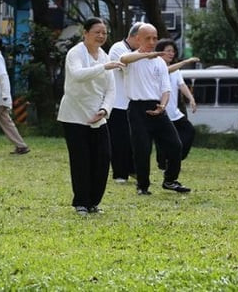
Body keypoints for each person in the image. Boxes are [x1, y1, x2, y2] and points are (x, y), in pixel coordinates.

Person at [57, 18, 123, 215]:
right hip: (74, 115)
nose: (102, 36)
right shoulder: (75, 53)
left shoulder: (104, 56)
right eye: (97, 32)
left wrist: (104, 110)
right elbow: (78, 75)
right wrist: (104, 67)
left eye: (104, 32)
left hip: (98, 115)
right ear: (85, 33)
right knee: (81, 160)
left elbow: (111, 90)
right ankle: (81, 202)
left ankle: (94, 201)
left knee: (103, 158)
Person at [120, 23, 190, 195]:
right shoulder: (132, 58)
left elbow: (165, 89)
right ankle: (142, 186)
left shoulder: (160, 62)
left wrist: (163, 105)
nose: (152, 42)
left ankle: (170, 180)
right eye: (147, 38)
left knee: (175, 144)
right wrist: (146, 55)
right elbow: (124, 60)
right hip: (137, 108)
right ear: (138, 39)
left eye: (154, 38)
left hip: (158, 108)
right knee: (142, 149)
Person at [154, 39, 199, 170]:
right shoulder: (156, 66)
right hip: (161, 110)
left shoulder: (176, 70)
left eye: (173, 51)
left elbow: (182, 85)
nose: (171, 53)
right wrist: (185, 62)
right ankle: (163, 163)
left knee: (189, 131)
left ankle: (176, 158)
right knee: (162, 140)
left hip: (174, 111)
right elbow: (166, 71)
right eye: (168, 51)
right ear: (160, 51)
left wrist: (191, 99)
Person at [106, 22, 141, 183]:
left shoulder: (136, 51)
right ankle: (120, 173)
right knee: (119, 140)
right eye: (143, 39)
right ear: (134, 36)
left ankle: (133, 169)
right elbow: (126, 66)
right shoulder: (118, 49)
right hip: (117, 103)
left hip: (132, 103)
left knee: (134, 140)